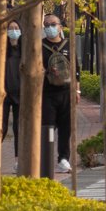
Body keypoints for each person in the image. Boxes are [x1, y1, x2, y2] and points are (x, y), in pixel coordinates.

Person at [40, 15, 74, 174]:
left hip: (66, 92)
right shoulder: (40, 46)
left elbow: (76, 69)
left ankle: (63, 158)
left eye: (53, 24)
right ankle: (45, 157)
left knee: (65, 128)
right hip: (47, 93)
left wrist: (77, 90)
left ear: (60, 26)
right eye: (46, 25)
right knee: (48, 126)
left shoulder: (68, 45)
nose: (50, 27)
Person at [1, 20, 24, 153]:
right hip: (4, 93)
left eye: (16, 28)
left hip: (20, 93)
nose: (14, 31)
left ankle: (17, 158)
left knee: (19, 128)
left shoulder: (24, 50)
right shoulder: (2, 50)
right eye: (11, 28)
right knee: (1, 127)